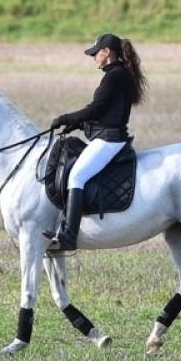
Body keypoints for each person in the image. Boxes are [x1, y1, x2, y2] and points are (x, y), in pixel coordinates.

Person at [45, 33, 147, 255]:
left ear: (106, 52)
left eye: (95, 54)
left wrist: (67, 118)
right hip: (108, 135)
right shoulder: (118, 74)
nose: (93, 58)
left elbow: (96, 109)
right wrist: (80, 126)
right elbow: (108, 113)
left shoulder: (114, 76)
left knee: (76, 176)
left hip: (110, 141)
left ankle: (69, 236)